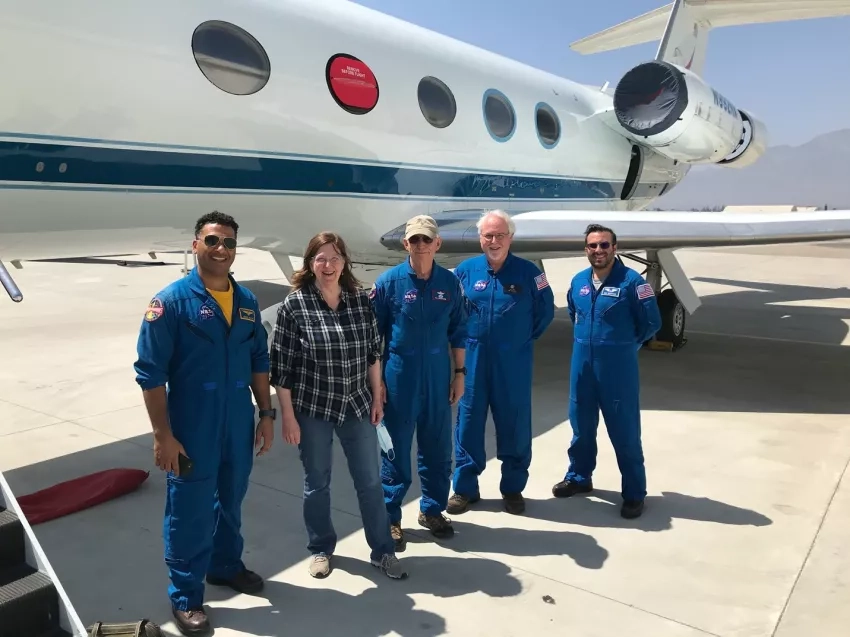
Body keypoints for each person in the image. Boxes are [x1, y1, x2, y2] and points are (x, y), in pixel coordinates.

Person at [134, 211, 274, 636]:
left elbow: (259, 362)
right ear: (195, 244)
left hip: (236, 418)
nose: (221, 250)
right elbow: (150, 374)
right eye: (212, 241)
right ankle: (186, 597)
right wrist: (163, 435)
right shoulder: (171, 303)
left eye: (229, 243)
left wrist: (265, 414)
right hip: (192, 422)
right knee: (189, 510)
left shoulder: (247, 302)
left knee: (231, 497)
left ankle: (226, 566)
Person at [269, 231, 407, 581]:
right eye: (320, 258)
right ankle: (320, 548)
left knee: (370, 483)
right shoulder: (295, 305)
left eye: (334, 257)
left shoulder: (360, 301)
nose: (327, 265)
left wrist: (377, 397)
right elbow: (281, 369)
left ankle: (382, 551)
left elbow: (374, 354)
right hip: (314, 408)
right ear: (310, 263)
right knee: (317, 483)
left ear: (345, 262)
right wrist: (288, 416)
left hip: (358, 407)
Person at [447, 210, 555, 516]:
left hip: (513, 362)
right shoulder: (465, 272)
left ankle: (512, 488)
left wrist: (519, 341)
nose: (494, 241)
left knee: (515, 424)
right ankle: (465, 488)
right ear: (481, 239)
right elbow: (454, 315)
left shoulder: (530, 273)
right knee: (468, 423)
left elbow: (545, 313)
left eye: (500, 235)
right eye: (488, 236)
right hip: (473, 360)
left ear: (510, 238)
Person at [370, 214, 467, 551]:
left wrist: (459, 375)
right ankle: (391, 517)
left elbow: (458, 331)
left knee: (438, 449)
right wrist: (377, 382)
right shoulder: (389, 282)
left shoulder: (450, 283)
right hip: (400, 377)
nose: (421, 245)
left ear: (437, 243)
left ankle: (432, 509)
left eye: (427, 239)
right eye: (415, 240)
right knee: (395, 450)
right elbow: (374, 337)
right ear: (405, 244)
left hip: (439, 377)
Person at [552, 223, 661, 519]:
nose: (598, 250)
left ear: (615, 248)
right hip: (582, 369)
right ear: (585, 249)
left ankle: (635, 493)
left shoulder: (632, 283)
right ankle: (579, 477)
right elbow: (575, 313)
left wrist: (626, 346)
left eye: (604, 245)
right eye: (592, 245)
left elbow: (652, 322)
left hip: (618, 371)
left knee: (624, 433)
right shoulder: (578, 282)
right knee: (581, 428)